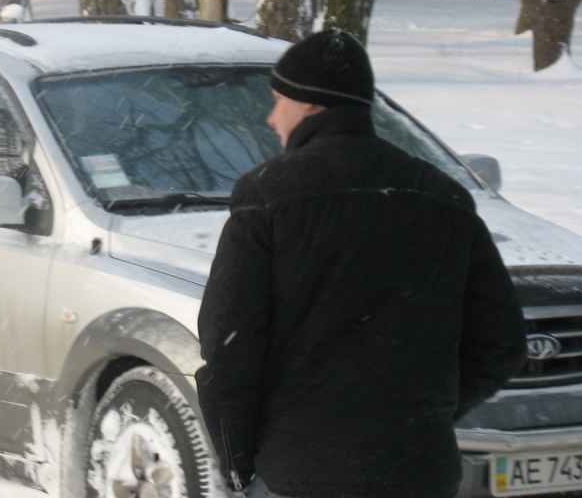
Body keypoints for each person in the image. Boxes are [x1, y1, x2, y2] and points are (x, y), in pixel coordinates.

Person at [196, 29, 526, 498]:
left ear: (310, 101)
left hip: (301, 470)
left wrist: (238, 462)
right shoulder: (442, 196)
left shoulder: (268, 194)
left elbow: (229, 345)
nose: (271, 118)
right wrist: (421, 417)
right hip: (418, 469)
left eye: (278, 100)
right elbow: (500, 343)